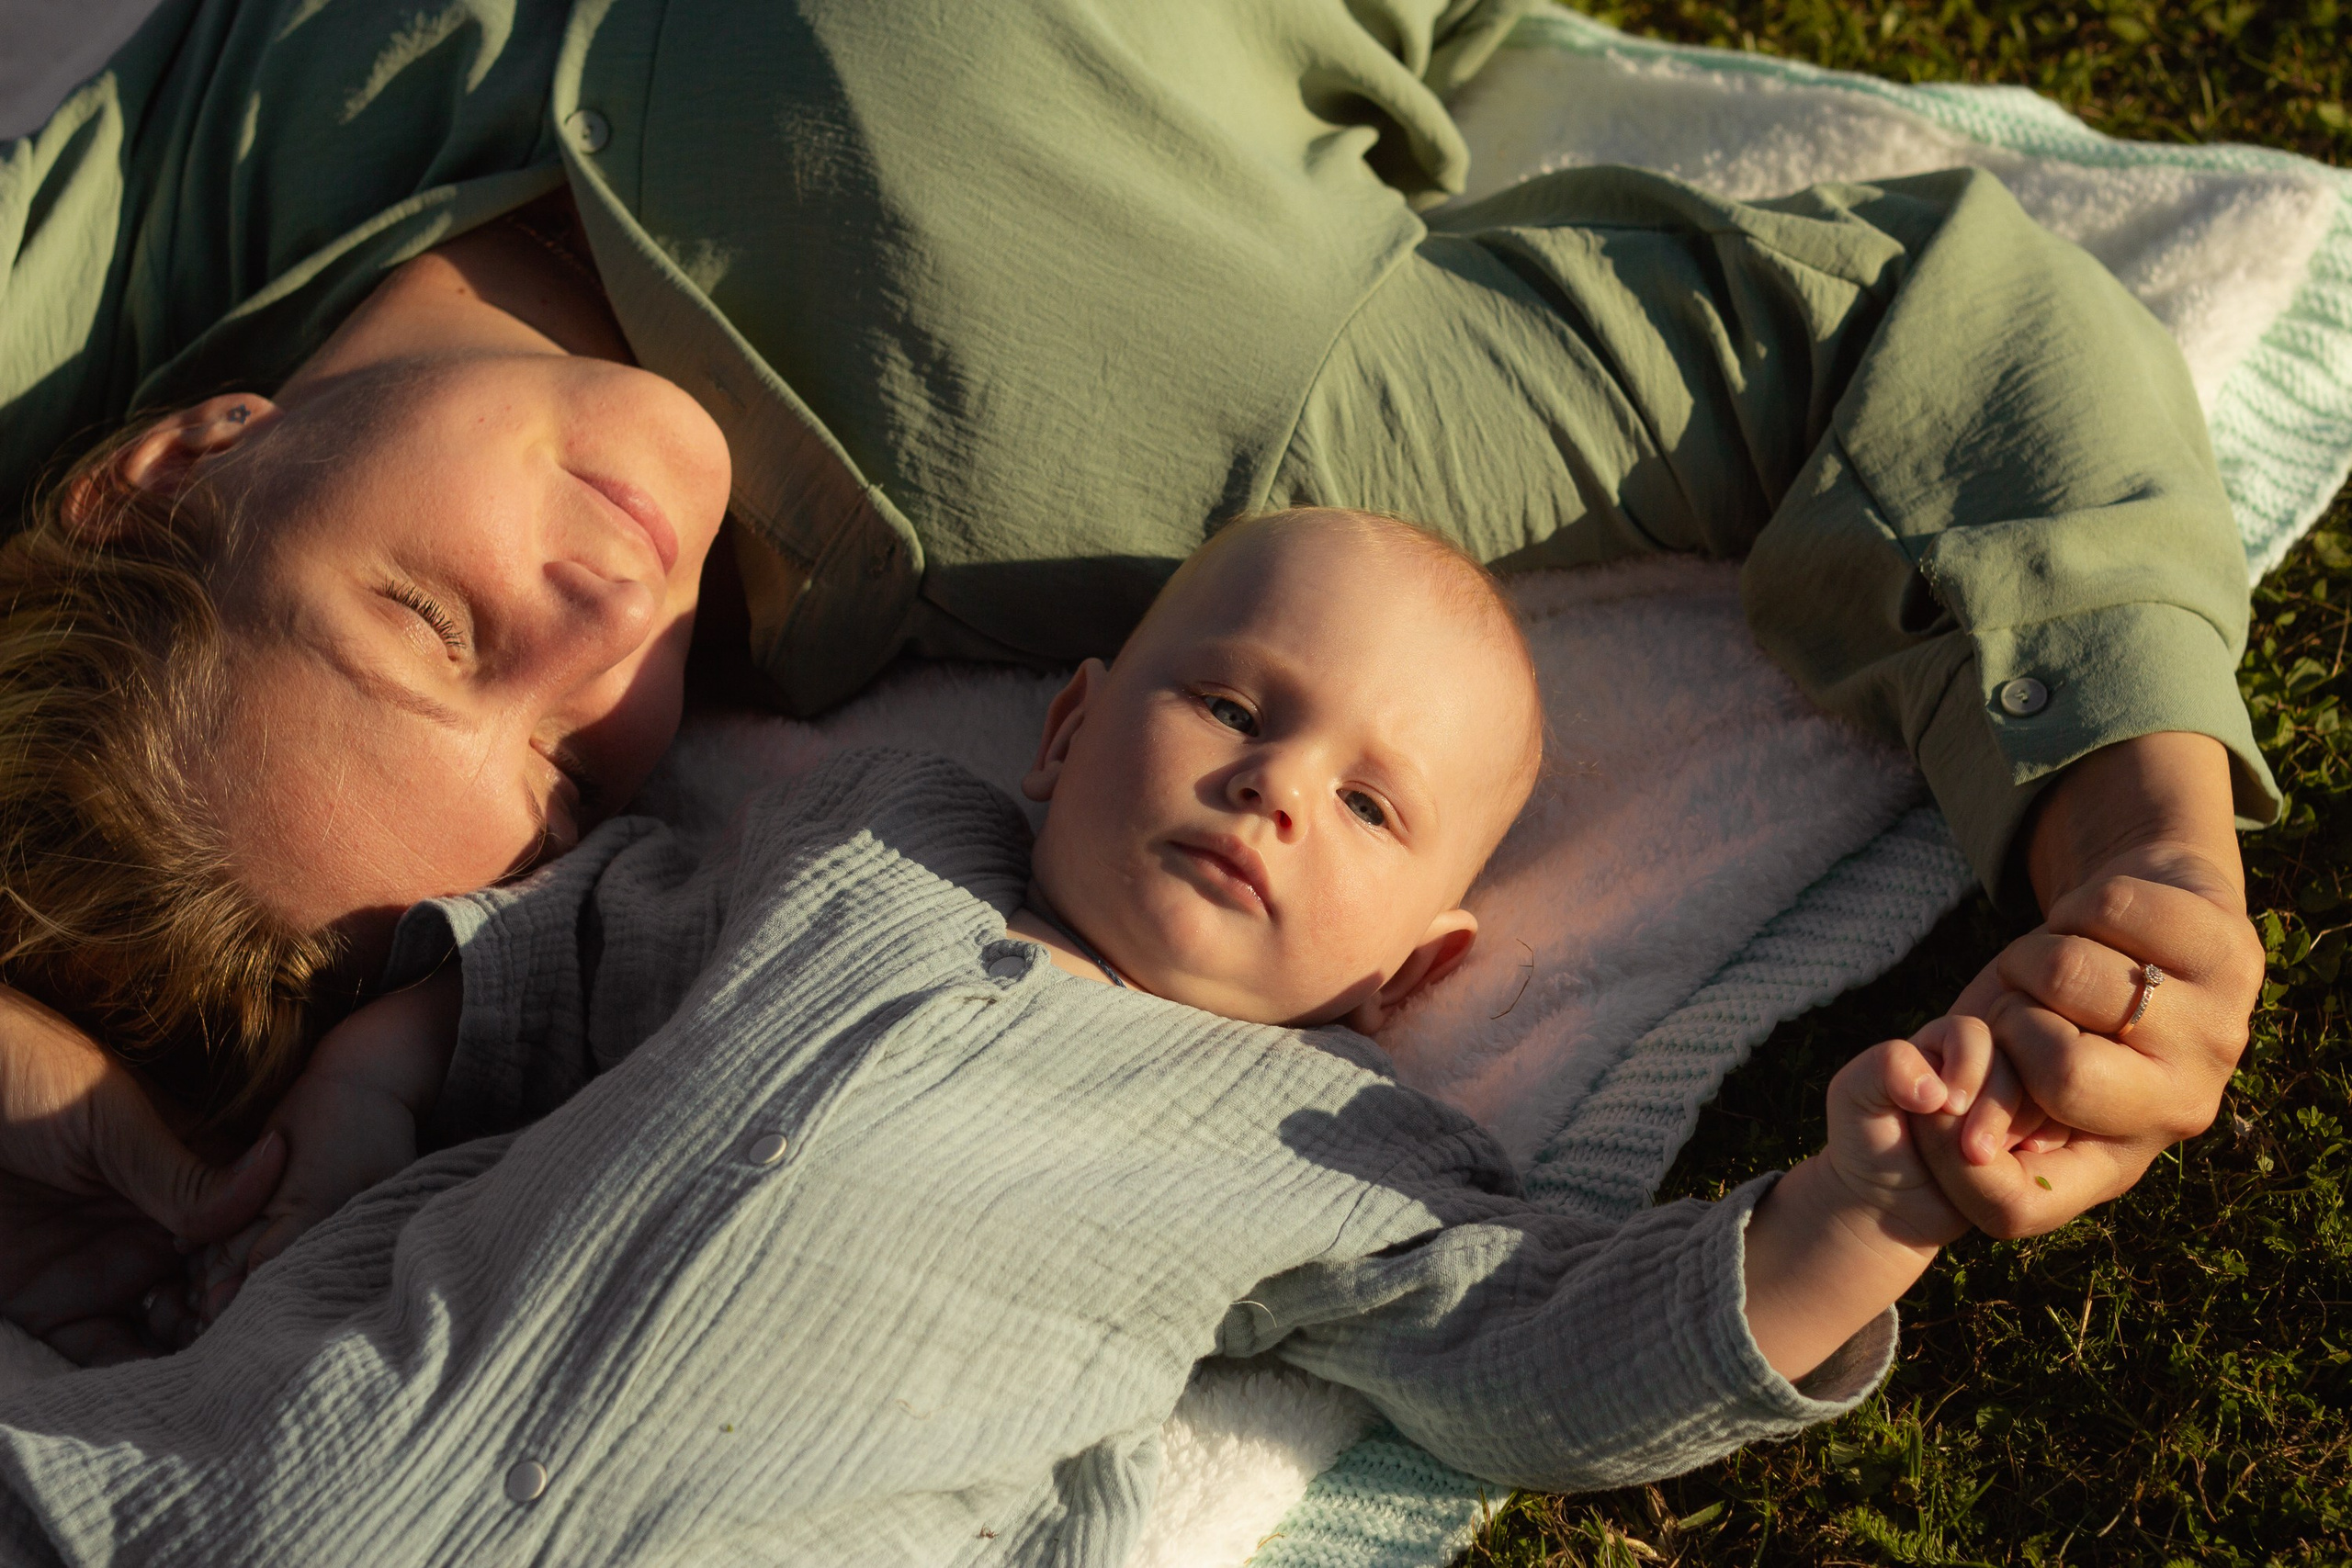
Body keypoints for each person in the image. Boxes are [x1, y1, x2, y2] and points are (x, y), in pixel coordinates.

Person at [0, 0, 2267, 1358]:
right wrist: (2143, 846)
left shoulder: (122, 264)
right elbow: (1905, 335)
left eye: (433, 624)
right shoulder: (1143, 469)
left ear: (174, 467)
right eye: (572, 781)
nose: (608, 635)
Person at [0, 511, 2086, 1565]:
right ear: (1073, 723)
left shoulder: (1322, 1138)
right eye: (1235, 704)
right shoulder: (868, 841)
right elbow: (559, 949)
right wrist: (358, 1099)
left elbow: (1543, 1348)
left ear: (1410, 961)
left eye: (1365, 804)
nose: (1278, 787)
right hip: (234, 1468)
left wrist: (1858, 1206)